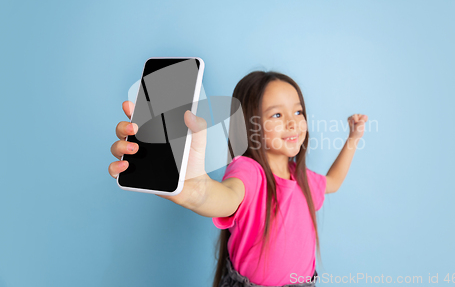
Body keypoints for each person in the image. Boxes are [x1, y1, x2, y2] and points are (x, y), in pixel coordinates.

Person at [109, 70, 368, 287]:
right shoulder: (248, 171)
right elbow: (226, 196)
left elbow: (333, 182)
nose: (293, 123)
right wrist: (199, 192)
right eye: (277, 115)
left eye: (298, 112)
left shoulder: (302, 179)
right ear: (249, 125)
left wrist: (353, 138)